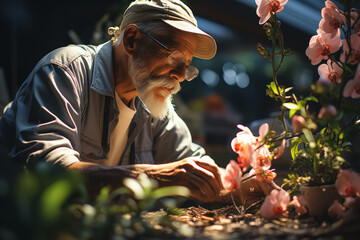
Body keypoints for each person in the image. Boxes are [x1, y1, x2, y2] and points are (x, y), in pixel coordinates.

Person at [0, 0, 277, 204]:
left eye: (188, 66)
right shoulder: (65, 72)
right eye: (174, 58)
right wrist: (156, 176)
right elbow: (48, 172)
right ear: (132, 40)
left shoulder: (154, 104)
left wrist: (244, 186)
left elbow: (193, 166)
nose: (181, 76)